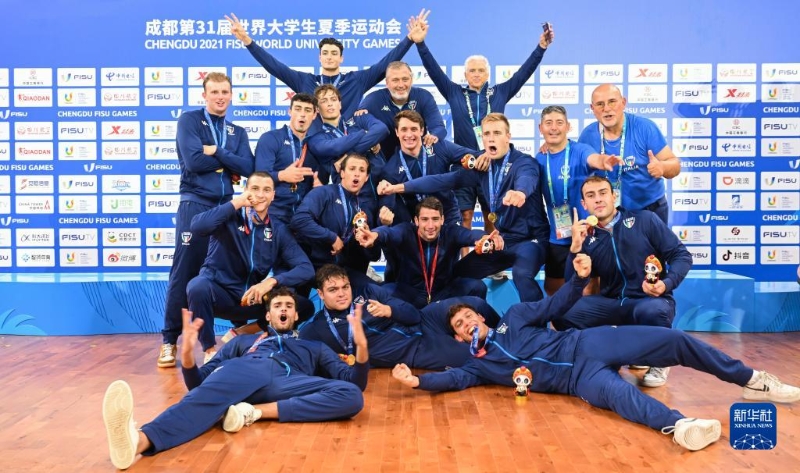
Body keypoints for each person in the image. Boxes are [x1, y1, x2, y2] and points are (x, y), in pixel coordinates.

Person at [391, 254, 800, 452]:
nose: (467, 323)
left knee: (674, 341)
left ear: (480, 316)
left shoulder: (514, 317)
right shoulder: (477, 365)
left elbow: (555, 306)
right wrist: (418, 382)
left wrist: (577, 279)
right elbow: (453, 380)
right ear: (460, 338)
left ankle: (751, 379)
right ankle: (681, 426)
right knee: (620, 397)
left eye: (468, 316)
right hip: (576, 380)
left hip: (587, 342)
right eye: (460, 325)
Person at [103, 287, 370, 470]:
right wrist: (187, 357)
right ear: (268, 316)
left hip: (288, 382)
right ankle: (138, 441)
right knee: (202, 399)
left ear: (296, 315)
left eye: (289, 306)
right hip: (248, 369)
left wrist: (361, 348)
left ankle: (253, 412)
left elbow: (354, 382)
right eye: (277, 306)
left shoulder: (314, 347)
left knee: (351, 397)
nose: (284, 309)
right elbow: (198, 383)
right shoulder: (243, 342)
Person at [381, 113, 550, 302]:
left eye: (497, 133)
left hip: (531, 240)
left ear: (508, 136)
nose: (491, 138)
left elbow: (527, 177)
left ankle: (537, 320)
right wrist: (397, 187)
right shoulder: (483, 168)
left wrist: (520, 192)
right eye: (487, 134)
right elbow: (441, 181)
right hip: (502, 240)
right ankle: (462, 314)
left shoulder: (524, 162)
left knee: (522, 275)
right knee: (457, 273)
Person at [414, 19, 554, 233]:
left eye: (481, 70)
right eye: (472, 71)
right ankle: (465, 254)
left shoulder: (499, 92)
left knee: (492, 216)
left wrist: (541, 48)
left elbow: (523, 74)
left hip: (492, 165)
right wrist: (421, 44)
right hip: (465, 164)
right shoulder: (454, 93)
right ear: (465, 75)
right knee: (465, 216)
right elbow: (434, 71)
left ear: (488, 74)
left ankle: (493, 254)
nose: (477, 74)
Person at [557, 175, 693, 388]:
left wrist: (666, 284)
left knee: (654, 311)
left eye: (603, 193)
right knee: (562, 311)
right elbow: (572, 285)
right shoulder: (587, 237)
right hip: (613, 304)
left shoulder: (645, 220)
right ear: (584, 204)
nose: (598, 199)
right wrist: (575, 248)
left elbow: (681, 255)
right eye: (591, 196)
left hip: (648, 300)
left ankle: (660, 360)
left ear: (614, 196)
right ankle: (606, 354)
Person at [159, 72, 255, 369]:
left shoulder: (237, 132)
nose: (220, 97)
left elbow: (248, 167)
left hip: (228, 207)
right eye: (214, 92)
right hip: (196, 204)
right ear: (205, 95)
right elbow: (193, 161)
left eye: (225, 91)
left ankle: (230, 338)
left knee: (231, 269)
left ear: (231, 95)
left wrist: (216, 151)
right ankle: (169, 340)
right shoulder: (189, 120)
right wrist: (227, 161)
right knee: (184, 272)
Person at [186, 171, 315, 361]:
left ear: (273, 195)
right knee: (197, 287)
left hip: (251, 298)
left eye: (266, 190)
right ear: (245, 191)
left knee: (303, 306)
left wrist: (271, 282)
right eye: (255, 188)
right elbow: (197, 226)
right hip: (220, 296)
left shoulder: (277, 229)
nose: (260, 194)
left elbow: (306, 269)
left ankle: (245, 331)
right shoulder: (228, 216)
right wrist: (236, 203)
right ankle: (210, 351)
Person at [225, 10, 430, 118]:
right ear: (319, 58)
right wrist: (247, 41)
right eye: (325, 53)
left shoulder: (356, 80)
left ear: (342, 58)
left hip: (348, 145)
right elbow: (275, 67)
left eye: (334, 53)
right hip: (315, 145)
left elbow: (385, 64)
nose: (329, 57)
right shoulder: (305, 81)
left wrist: (410, 39)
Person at [300, 264, 500, 369]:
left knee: (476, 304)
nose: (342, 293)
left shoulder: (369, 292)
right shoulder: (317, 328)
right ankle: (511, 357)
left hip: (425, 320)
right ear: (320, 294)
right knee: (475, 357)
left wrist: (389, 311)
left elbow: (413, 315)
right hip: (414, 350)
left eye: (345, 287)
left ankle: (506, 333)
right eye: (333, 290)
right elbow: (302, 354)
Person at [535, 105, 621, 295]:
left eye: (559, 122)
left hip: (587, 233)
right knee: (553, 290)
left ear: (568, 127)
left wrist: (603, 161)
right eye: (548, 123)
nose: (554, 127)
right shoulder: (539, 158)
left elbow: (593, 159)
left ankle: (589, 315)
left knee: (589, 289)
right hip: (558, 236)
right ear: (541, 128)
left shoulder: (580, 150)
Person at [356, 196, 501, 309]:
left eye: (435, 219)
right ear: (416, 220)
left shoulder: (450, 232)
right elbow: (390, 233)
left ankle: (475, 328)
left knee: (477, 287)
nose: (430, 225)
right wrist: (375, 235)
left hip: (443, 293)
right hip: (411, 293)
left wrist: (485, 238)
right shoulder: (406, 231)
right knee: (383, 292)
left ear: (442, 219)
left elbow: (470, 235)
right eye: (425, 219)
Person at [579, 83, 680, 224]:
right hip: (610, 214)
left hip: (650, 209)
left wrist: (662, 167)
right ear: (592, 108)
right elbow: (577, 171)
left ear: (623, 102)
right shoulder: (587, 136)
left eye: (612, 102)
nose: (606, 108)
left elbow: (674, 165)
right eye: (600, 104)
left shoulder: (645, 128)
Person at [290, 153, 379, 278]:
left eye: (362, 170)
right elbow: (299, 220)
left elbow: (374, 256)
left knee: (373, 287)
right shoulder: (323, 193)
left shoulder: (362, 210)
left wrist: (370, 245)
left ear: (366, 177)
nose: (357, 174)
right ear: (342, 173)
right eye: (352, 169)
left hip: (339, 271)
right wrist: (332, 238)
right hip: (310, 267)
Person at [376, 110, 472, 226]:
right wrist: (384, 216)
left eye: (414, 129)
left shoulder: (439, 147)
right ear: (397, 132)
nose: (409, 135)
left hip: (449, 217)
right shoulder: (390, 169)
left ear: (422, 130)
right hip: (420, 225)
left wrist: (483, 157)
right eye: (404, 130)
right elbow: (386, 207)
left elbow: (473, 155)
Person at [357, 61, 447, 157]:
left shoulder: (423, 96)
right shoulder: (373, 99)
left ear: (411, 80)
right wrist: (370, 140)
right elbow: (356, 124)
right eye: (395, 80)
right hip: (384, 160)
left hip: (416, 158)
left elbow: (439, 127)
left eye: (405, 79)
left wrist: (434, 136)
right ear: (387, 83)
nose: (401, 85)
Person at [254, 93, 319, 225]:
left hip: (304, 216)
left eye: (307, 110)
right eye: (298, 109)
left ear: (314, 115)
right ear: (289, 111)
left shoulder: (316, 144)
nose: (302, 114)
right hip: (274, 214)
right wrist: (282, 175)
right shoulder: (271, 138)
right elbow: (258, 178)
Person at [307, 84, 389, 188]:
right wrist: (365, 135)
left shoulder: (359, 118)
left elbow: (382, 129)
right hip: (348, 194)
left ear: (340, 104)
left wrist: (347, 155)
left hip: (381, 188)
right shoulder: (316, 140)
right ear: (317, 109)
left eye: (333, 99)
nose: (330, 104)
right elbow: (336, 148)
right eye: (324, 101)